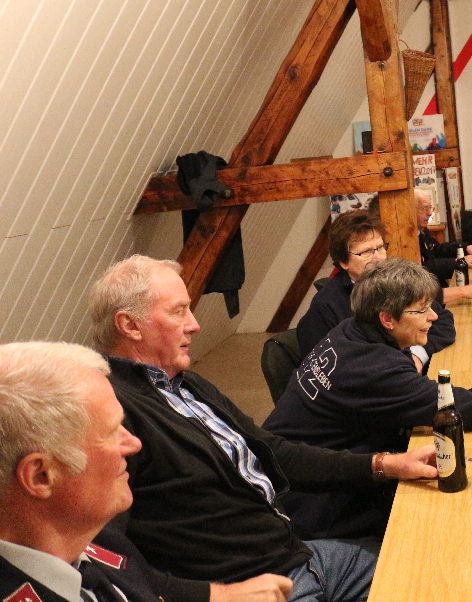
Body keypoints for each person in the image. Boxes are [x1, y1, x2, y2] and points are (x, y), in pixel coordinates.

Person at [90, 255, 439, 601]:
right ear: (130, 326)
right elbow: (103, 559)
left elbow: (275, 452)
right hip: (254, 587)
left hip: (299, 556)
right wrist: (218, 595)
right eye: (178, 312)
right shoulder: (111, 414)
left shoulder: (184, 383)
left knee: (439, 565)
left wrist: (385, 464)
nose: (194, 325)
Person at [0, 341, 293, 602]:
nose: (134, 443)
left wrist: (223, 596)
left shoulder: (94, 543)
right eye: (112, 431)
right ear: (41, 476)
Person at [264, 259, 472, 539]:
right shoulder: (373, 369)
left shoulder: (350, 330)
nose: (432, 316)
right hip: (314, 503)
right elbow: (462, 407)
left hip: (302, 475)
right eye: (422, 310)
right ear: (387, 319)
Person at [295, 211, 457, 366]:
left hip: (406, 371)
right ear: (343, 262)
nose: (378, 258)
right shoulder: (325, 306)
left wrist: (417, 354)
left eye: (380, 248)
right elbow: (321, 365)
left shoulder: (396, 282)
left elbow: (443, 320)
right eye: (366, 252)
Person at [414, 190, 472, 286]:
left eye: (430, 208)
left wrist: (465, 248)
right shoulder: (408, 238)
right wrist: (458, 262)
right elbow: (424, 267)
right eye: (424, 208)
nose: (430, 213)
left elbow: (438, 250)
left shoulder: (423, 229)